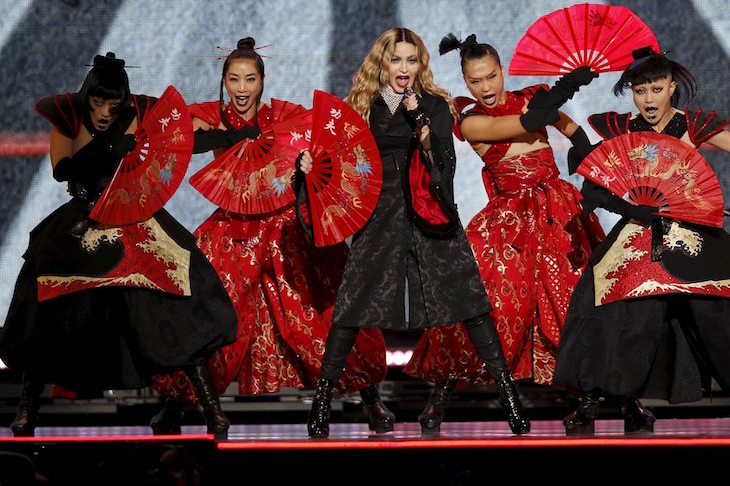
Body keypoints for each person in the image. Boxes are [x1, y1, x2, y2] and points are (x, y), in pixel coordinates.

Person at [150, 37, 392, 436]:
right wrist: (200, 133)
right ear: (224, 81)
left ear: (262, 81)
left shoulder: (285, 115)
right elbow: (173, 131)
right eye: (234, 80)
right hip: (234, 227)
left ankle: (370, 398)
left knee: (318, 313)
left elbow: (322, 139)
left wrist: (310, 161)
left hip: (284, 227)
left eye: (250, 79)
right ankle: (177, 405)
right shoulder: (212, 115)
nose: (242, 89)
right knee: (208, 313)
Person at [553, 46, 730, 435]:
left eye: (655, 89)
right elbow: (595, 184)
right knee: (611, 304)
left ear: (671, 87)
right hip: (641, 230)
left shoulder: (693, 125)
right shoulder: (621, 128)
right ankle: (598, 403)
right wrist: (632, 210)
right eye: (639, 91)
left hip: (693, 232)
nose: (648, 100)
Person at [299, 27, 530, 438]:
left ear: (419, 64)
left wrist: (425, 136)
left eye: (411, 60)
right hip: (380, 216)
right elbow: (341, 166)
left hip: (429, 212)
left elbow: (445, 167)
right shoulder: (363, 107)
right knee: (350, 309)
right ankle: (321, 401)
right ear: (383, 63)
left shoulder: (435, 105)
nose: (403, 68)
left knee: (470, 302)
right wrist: (308, 166)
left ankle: (509, 395)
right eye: (396, 60)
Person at [0, 52, 238, 438]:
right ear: (86, 97)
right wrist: (110, 149)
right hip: (83, 222)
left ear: (124, 100)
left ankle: (214, 411)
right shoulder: (67, 116)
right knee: (48, 303)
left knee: (178, 297)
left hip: (134, 219)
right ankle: (28, 408)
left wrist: (232, 136)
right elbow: (63, 168)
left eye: (113, 104)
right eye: (97, 103)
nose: (105, 113)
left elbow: (182, 138)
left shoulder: (141, 112)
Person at [402, 33, 606, 434]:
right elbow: (530, 122)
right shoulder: (470, 119)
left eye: (491, 77)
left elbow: (571, 130)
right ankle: (439, 399)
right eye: (475, 81)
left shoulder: (531, 96)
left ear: (502, 71)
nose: (485, 87)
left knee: (576, 302)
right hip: (509, 220)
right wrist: (567, 85)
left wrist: (590, 165)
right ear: (465, 83)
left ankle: (604, 403)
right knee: (483, 307)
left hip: (559, 212)